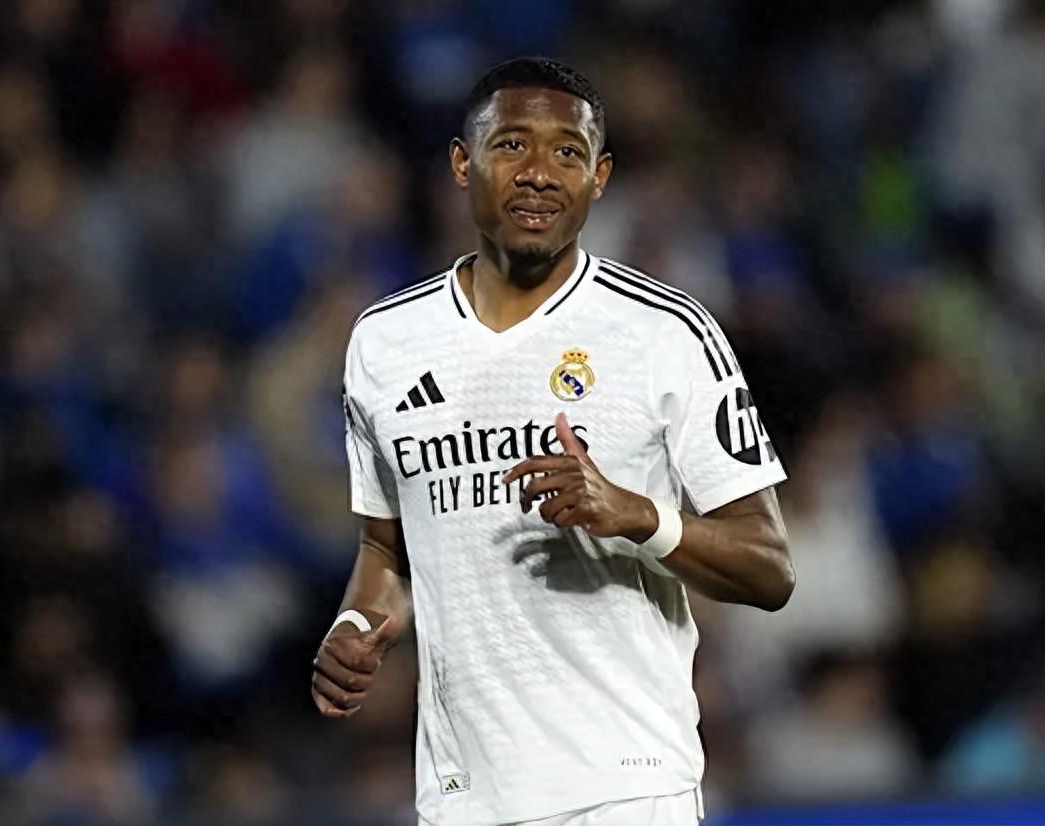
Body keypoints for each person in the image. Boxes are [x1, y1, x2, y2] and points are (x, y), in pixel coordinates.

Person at [311, 56, 794, 826]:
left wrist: (638, 516)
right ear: (462, 164)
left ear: (599, 178)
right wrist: (356, 625)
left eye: (568, 152)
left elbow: (769, 568)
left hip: (626, 787)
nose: (539, 172)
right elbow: (386, 550)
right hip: (463, 796)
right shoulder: (384, 342)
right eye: (511, 145)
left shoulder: (665, 332)